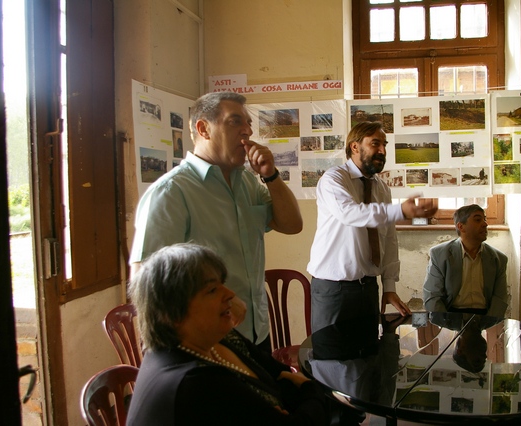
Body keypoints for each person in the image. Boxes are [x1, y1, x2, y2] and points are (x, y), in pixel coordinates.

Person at [129, 91, 303, 352]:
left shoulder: (246, 182)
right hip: (209, 340)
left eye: (248, 124)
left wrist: (271, 175)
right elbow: (146, 279)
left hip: (256, 331)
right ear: (203, 129)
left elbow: (292, 225)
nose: (246, 131)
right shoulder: (172, 191)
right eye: (235, 122)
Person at [126, 243, 331, 426]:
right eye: (212, 290)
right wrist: (309, 390)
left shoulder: (218, 338)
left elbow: (278, 371)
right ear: (173, 312)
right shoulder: (195, 383)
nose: (230, 294)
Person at [307, 121, 432, 335]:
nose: (383, 151)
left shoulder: (381, 188)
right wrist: (400, 211)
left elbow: (389, 240)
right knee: (332, 359)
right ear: (355, 147)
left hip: (368, 289)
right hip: (333, 288)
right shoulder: (333, 179)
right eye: (375, 143)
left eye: (384, 145)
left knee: (369, 356)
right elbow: (350, 213)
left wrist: (389, 287)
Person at [422, 204, 508, 317]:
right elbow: (432, 297)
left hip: (485, 317)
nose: (485, 224)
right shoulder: (440, 255)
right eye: (478, 220)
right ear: (461, 226)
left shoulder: (498, 259)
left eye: (485, 219)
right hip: (451, 315)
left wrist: (489, 322)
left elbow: (500, 299)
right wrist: (445, 323)